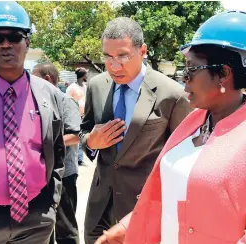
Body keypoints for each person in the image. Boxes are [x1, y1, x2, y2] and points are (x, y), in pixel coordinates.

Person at [95, 11, 246, 244]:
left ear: (224, 74)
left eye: (192, 69)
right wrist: (130, 225)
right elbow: (164, 193)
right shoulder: (194, 123)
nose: (184, 78)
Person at [0, 2, 65, 244]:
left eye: (14, 36)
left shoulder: (49, 94)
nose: (5, 44)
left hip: (35, 220)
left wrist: (50, 205)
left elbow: (57, 153)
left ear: (27, 42)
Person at [79, 17, 192, 244]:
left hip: (142, 209)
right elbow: (84, 131)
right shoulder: (97, 86)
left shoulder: (172, 95)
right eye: (107, 57)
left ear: (142, 51)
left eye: (123, 56)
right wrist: (91, 142)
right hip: (99, 209)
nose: (114, 65)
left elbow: (182, 158)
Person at [32, 63, 81, 244]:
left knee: (65, 225)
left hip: (64, 174)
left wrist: (48, 145)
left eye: (34, 77)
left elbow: (76, 134)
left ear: (47, 79)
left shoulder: (65, 100)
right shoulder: (36, 101)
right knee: (44, 224)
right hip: (43, 175)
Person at [67, 67, 88, 166]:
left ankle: (80, 158)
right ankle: (76, 159)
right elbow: (67, 101)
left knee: (82, 136)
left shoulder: (85, 86)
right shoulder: (72, 87)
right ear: (83, 76)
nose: (87, 76)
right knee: (76, 136)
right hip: (75, 116)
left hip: (84, 115)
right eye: (86, 74)